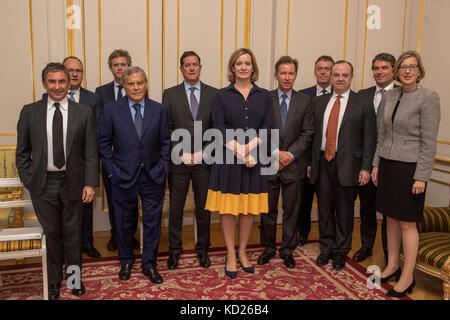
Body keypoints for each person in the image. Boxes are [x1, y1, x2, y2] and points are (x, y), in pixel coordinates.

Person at [16, 63, 99, 299]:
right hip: (42, 184)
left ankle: (73, 281)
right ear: (44, 83)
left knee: (73, 234)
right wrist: (28, 179)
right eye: (52, 82)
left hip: (73, 182)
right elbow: (22, 152)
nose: (57, 87)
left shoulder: (83, 112)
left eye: (62, 81)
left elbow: (91, 152)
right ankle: (53, 283)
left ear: (69, 82)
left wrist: (90, 183)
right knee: (52, 235)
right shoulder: (30, 111)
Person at [371, 50, 440, 297]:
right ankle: (392, 265)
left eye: (412, 67)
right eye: (403, 67)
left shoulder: (428, 98)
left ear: (419, 70)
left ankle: (408, 276)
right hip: (388, 165)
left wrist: (421, 175)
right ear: (398, 71)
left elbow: (429, 142)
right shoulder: (391, 95)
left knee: (407, 223)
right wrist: (376, 164)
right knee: (390, 218)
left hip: (410, 169)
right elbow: (383, 135)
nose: (407, 71)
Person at [205, 48, 274, 278]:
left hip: (254, 159)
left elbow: (267, 127)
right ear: (232, 67)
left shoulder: (264, 96)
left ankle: (243, 251)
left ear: (253, 68)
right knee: (228, 210)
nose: (243, 67)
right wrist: (240, 151)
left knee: (247, 210)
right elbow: (218, 127)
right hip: (228, 159)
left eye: (247, 63)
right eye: (239, 63)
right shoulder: (221, 96)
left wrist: (249, 149)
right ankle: (230, 254)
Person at [98, 66, 170, 284]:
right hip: (123, 177)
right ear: (123, 85)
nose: (136, 87)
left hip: (152, 177)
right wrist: (112, 172)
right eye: (131, 83)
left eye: (140, 83)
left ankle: (149, 264)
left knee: (152, 223)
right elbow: (103, 144)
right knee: (123, 222)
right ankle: (126, 261)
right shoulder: (111, 110)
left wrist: (162, 166)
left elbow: (166, 142)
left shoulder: (159, 109)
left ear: (146, 84)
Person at [310, 60, 376, 271]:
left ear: (351, 77)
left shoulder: (363, 103)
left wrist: (366, 167)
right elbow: (313, 137)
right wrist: (312, 164)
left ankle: (340, 251)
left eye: (344, 75)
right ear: (330, 76)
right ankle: (326, 248)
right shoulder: (319, 103)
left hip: (349, 165)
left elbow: (370, 139)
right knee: (325, 210)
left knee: (345, 212)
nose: (339, 78)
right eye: (336, 74)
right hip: (323, 162)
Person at [163, 51, 217, 270]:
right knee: (175, 210)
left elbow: (217, 128)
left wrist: (203, 153)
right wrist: (180, 152)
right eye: (187, 65)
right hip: (179, 162)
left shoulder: (214, 94)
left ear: (201, 66)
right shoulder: (170, 94)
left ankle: (203, 250)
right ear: (181, 69)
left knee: (203, 210)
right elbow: (165, 128)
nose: (192, 68)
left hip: (204, 162)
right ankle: (174, 251)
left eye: (195, 64)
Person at [258, 56, 313, 269]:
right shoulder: (264, 98)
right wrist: (275, 153)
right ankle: (268, 248)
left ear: (295, 75)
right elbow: (259, 130)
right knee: (268, 210)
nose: (287, 77)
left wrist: (289, 154)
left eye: (291, 73)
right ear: (276, 75)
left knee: (292, 210)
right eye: (283, 73)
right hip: (269, 162)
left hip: (294, 164)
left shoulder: (305, 101)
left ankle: (288, 249)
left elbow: (308, 133)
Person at [353, 53, 397, 263]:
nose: (379, 72)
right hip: (364, 161)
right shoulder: (363, 94)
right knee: (367, 208)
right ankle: (367, 245)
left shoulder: (401, 94)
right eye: (376, 68)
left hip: (389, 163)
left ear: (393, 70)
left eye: (384, 68)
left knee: (389, 212)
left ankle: (390, 253)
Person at [95, 49, 140, 252]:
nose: (120, 68)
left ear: (129, 65)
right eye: (116, 65)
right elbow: (98, 122)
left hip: (134, 158)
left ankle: (131, 236)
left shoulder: (139, 88)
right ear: (110, 68)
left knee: (133, 200)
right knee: (115, 200)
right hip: (112, 158)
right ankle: (117, 235)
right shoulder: (101, 92)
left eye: (123, 64)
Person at [62, 56, 102, 259]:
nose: (75, 74)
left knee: (86, 206)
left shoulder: (93, 98)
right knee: (64, 209)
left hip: (86, 161)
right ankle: (68, 247)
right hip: (61, 164)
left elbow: (98, 130)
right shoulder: (54, 97)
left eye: (79, 70)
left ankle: (87, 243)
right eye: (70, 70)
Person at [298, 55, 334, 246]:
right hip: (305, 158)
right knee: (303, 200)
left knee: (327, 203)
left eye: (327, 69)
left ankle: (327, 239)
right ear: (314, 71)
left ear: (332, 72)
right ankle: (302, 235)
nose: (322, 72)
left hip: (328, 159)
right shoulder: (303, 95)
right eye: (319, 68)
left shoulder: (340, 96)